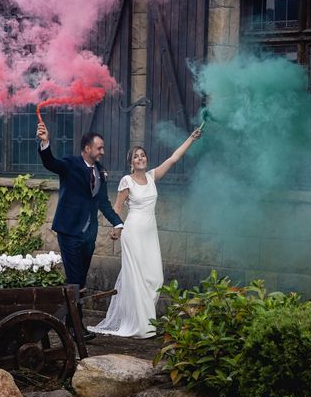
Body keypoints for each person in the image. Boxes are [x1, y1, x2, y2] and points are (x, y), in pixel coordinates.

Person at [89, 127, 202, 338]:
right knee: (138, 280)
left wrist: (191, 138)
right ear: (131, 163)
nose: (140, 158)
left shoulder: (152, 176)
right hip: (133, 234)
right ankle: (143, 327)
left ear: (146, 160)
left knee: (155, 279)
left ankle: (144, 323)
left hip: (150, 234)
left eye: (142, 155)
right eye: (136, 157)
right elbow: (117, 207)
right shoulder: (127, 181)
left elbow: (174, 158)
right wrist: (116, 227)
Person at [36, 122, 123, 340]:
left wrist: (118, 222)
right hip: (69, 231)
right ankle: (76, 328)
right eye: (99, 148)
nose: (102, 151)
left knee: (80, 281)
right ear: (87, 148)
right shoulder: (71, 164)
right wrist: (45, 142)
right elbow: (51, 163)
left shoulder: (101, 172)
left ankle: (70, 324)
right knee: (74, 281)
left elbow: (103, 202)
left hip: (88, 235)